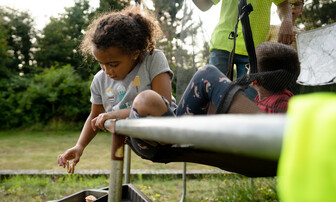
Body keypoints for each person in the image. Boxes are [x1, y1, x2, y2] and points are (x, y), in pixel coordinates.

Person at [127, 41, 299, 159]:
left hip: (250, 146)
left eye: (248, 67)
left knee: (207, 73)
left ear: (254, 79)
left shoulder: (283, 104)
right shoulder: (256, 103)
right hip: (168, 136)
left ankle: (164, 127)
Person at [57, 5, 176, 169]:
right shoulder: (99, 80)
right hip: (143, 141)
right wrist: (80, 146)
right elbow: (95, 115)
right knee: (142, 100)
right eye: (101, 64)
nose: (107, 71)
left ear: (134, 52)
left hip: (168, 127)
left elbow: (164, 102)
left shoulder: (152, 59)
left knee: (206, 73)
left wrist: (113, 114)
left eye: (113, 64)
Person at [192, 0, 293, 99]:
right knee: (212, 96)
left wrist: (287, 21)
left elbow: (283, 3)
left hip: (253, 51)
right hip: (222, 45)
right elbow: (205, 5)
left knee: (248, 103)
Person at [242, 41, 300, 113]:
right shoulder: (261, 97)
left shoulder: (281, 104)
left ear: (255, 78)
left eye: (249, 67)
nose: (247, 70)